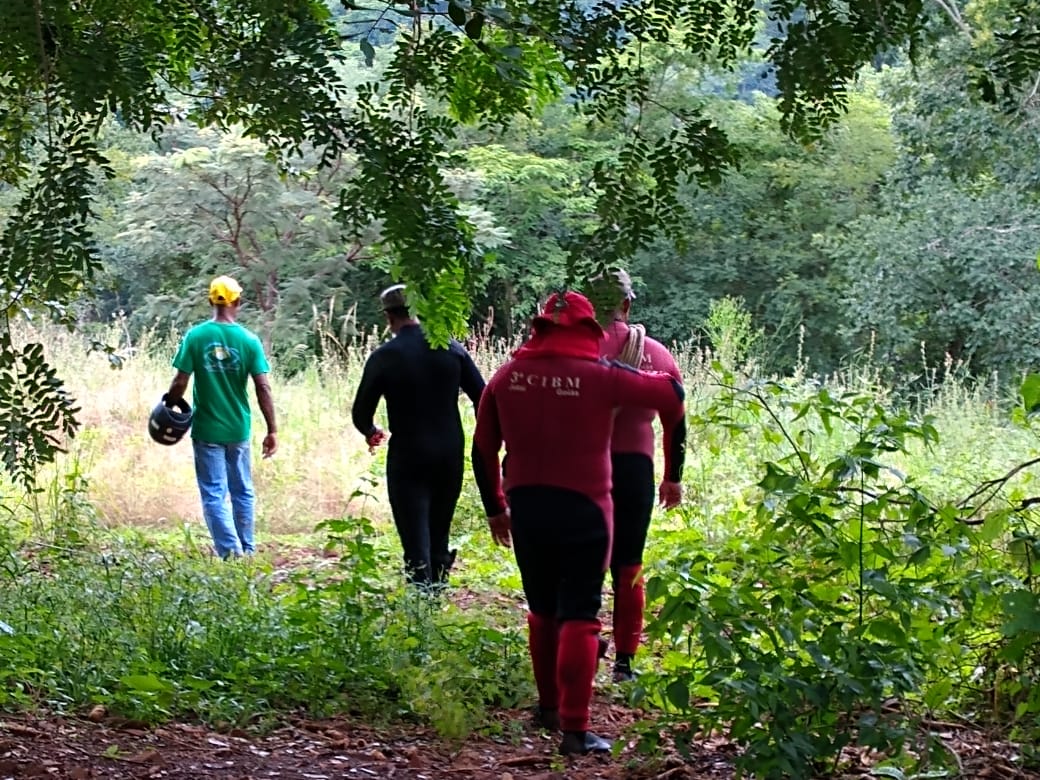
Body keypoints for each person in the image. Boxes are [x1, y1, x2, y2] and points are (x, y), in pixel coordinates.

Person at [471, 290, 686, 756]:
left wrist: (496, 509)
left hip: (526, 506)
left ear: (541, 328)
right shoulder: (602, 376)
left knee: (542, 609)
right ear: (589, 331)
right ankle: (574, 728)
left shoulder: (506, 377)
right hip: (586, 508)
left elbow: (482, 448)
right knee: (580, 616)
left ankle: (548, 708)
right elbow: (671, 393)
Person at [351, 284, 486, 588]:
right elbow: (484, 396)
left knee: (414, 537)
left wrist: (372, 432)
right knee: (440, 531)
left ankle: (421, 604)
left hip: (408, 455)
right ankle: (437, 588)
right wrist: (485, 438)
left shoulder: (384, 357)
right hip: (449, 452)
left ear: (388, 316)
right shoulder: (452, 349)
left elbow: (361, 413)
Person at [589, 269, 683, 682]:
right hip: (634, 471)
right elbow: (675, 421)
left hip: (582, 466)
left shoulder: (576, 352)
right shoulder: (658, 356)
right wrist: (672, 477)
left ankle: (584, 645)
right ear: (627, 304)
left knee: (584, 563)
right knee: (628, 566)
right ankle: (625, 664)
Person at [166, 275, 278, 559]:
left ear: (210, 301)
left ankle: (231, 553)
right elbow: (262, 386)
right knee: (242, 490)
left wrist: (169, 406)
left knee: (214, 493)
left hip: (206, 430)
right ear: (237, 302)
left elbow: (180, 382)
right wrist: (272, 429)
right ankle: (247, 549)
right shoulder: (249, 340)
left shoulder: (196, 336)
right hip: (238, 429)